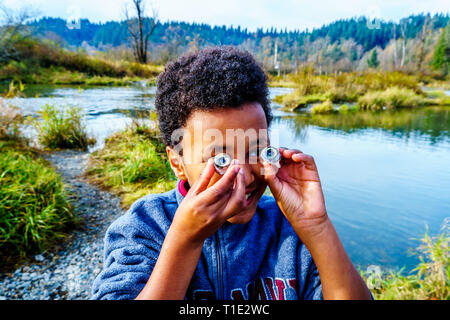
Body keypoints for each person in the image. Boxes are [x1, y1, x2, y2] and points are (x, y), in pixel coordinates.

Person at [91, 46, 372, 300]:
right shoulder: (145, 227)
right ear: (177, 162)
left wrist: (317, 228)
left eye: (258, 150)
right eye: (221, 158)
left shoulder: (288, 229)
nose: (246, 177)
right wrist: (185, 240)